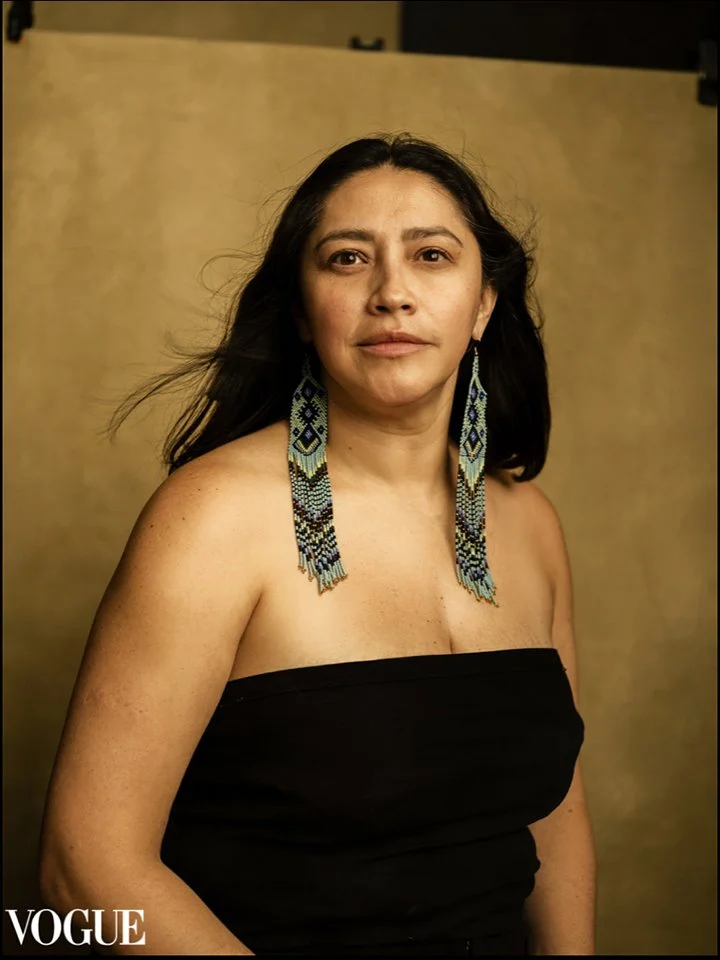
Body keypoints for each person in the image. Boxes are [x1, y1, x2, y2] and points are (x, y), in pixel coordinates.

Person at [38, 134, 596, 956]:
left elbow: (555, 818)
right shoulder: (212, 518)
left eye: (433, 255)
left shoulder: (530, 522)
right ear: (301, 309)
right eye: (346, 259)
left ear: (484, 304)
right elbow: (84, 872)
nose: (392, 293)